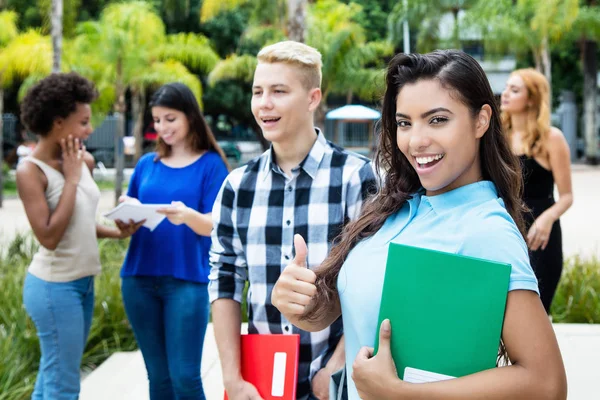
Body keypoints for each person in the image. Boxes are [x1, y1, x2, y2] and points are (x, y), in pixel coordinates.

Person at [272, 50, 567, 400]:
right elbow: (339, 311)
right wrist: (299, 302)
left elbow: (546, 384)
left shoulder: (486, 229)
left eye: (437, 120)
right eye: (404, 123)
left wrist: (399, 393)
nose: (416, 140)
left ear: (481, 120)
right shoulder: (393, 208)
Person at [208, 41, 377, 400]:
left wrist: (335, 368)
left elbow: (374, 283)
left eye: (278, 91)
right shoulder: (237, 186)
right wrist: (233, 380)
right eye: (257, 92)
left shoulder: (356, 177)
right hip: (259, 383)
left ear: (312, 98)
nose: (263, 103)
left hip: (334, 378)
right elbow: (224, 280)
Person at [17, 72, 142, 400]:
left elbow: (79, 223)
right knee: (64, 384)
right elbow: (48, 236)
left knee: (53, 373)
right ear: (58, 123)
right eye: (84, 122)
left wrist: (115, 232)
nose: (89, 130)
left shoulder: (81, 160)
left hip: (82, 283)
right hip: (53, 288)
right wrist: (71, 179)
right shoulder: (31, 171)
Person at [119, 82, 229, 400]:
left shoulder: (211, 165)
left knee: (184, 378)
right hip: (138, 279)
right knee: (159, 378)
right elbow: (134, 215)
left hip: (186, 282)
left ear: (190, 117)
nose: (162, 127)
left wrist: (186, 215)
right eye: (157, 120)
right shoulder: (145, 165)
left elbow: (214, 225)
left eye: (170, 119)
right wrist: (127, 213)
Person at [501, 68, 573, 314]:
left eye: (515, 89)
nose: (506, 93)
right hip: (504, 229)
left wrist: (547, 219)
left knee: (537, 312)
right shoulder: (497, 137)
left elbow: (567, 196)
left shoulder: (551, 138)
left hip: (540, 238)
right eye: (507, 87)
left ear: (532, 99)